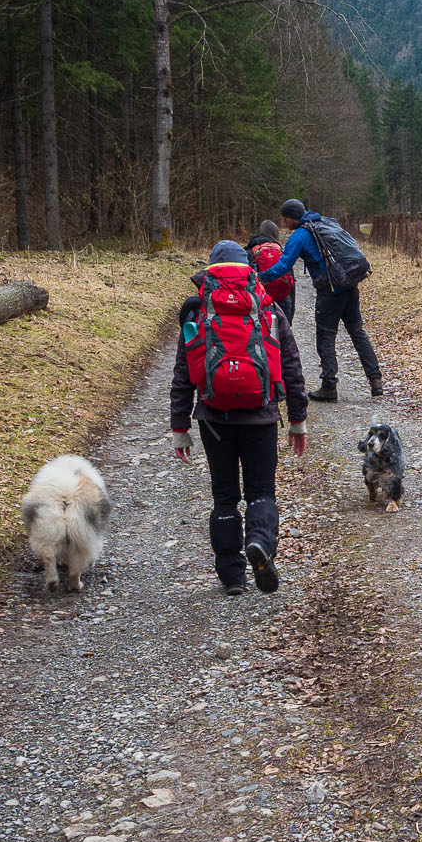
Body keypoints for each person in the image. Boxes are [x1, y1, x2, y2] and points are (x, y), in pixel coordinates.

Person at [170, 240, 308, 596]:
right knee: (261, 491)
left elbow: (184, 372)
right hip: (260, 415)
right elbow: (291, 365)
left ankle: (232, 576)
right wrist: (297, 420)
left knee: (225, 495)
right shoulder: (267, 306)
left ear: (211, 269)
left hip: (214, 419)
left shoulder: (197, 309)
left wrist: (179, 427)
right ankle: (260, 541)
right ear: (247, 268)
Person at [263, 198, 382, 402]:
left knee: (326, 335)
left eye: (285, 218)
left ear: (291, 217)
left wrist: (258, 278)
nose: (283, 222)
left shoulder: (300, 235)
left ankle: (329, 386)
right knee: (357, 332)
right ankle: (375, 380)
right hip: (349, 284)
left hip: (330, 291)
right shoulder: (328, 223)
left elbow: (283, 266)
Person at [246, 219, 294, 322]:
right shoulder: (282, 252)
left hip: (258, 301)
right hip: (283, 301)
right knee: (282, 333)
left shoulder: (249, 252)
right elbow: (291, 284)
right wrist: (290, 314)